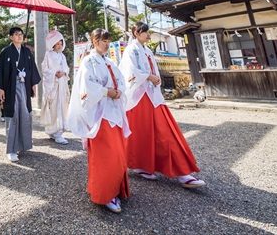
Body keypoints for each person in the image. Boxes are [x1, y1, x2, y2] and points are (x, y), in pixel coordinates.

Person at [119, 21, 205, 189]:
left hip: (152, 95)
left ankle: (181, 172)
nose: (148, 35)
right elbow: (129, 71)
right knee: (142, 133)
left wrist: (154, 79)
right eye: (145, 32)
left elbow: (153, 71)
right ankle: (141, 165)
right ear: (136, 33)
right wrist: (149, 77)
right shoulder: (131, 50)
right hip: (139, 96)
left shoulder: (147, 50)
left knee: (164, 132)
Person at [68, 28, 130, 214]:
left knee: (118, 153)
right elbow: (87, 86)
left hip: (114, 113)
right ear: (95, 41)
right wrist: (106, 92)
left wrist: (119, 90)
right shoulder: (89, 60)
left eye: (108, 40)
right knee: (105, 154)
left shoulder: (110, 61)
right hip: (100, 115)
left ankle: (115, 188)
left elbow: (121, 80)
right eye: (103, 40)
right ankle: (104, 193)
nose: (106, 44)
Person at [0, 27, 41, 162]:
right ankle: (11, 149)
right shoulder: (5, 52)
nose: (19, 36)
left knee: (24, 114)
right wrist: (0, 88)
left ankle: (22, 145)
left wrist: (33, 85)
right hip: (10, 88)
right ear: (10, 37)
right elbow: (0, 71)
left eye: (21, 34)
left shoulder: (27, 52)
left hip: (24, 86)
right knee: (12, 116)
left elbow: (32, 69)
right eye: (16, 34)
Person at [40, 29, 70, 145]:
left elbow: (66, 68)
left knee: (61, 107)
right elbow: (45, 69)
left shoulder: (62, 56)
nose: (59, 45)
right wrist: (54, 73)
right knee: (53, 108)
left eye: (61, 43)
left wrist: (63, 73)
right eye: (57, 43)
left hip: (61, 85)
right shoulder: (48, 54)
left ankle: (58, 132)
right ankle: (52, 131)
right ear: (52, 44)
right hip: (53, 86)